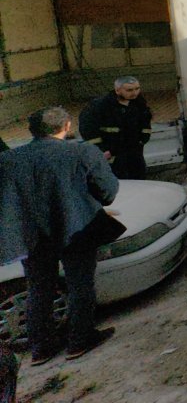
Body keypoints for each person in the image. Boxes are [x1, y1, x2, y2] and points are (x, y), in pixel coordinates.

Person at [0, 107, 119, 364]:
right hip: (76, 231)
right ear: (66, 125)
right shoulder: (82, 151)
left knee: (38, 289)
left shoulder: (8, 160)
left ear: (30, 131)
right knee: (80, 285)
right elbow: (107, 193)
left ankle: (41, 349)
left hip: (31, 236)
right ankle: (80, 341)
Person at [79, 76, 152, 180]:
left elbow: (145, 123)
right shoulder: (100, 106)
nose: (134, 93)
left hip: (134, 154)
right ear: (117, 90)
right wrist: (102, 149)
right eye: (129, 90)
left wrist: (143, 139)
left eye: (137, 89)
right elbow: (88, 129)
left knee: (139, 181)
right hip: (112, 155)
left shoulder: (139, 104)